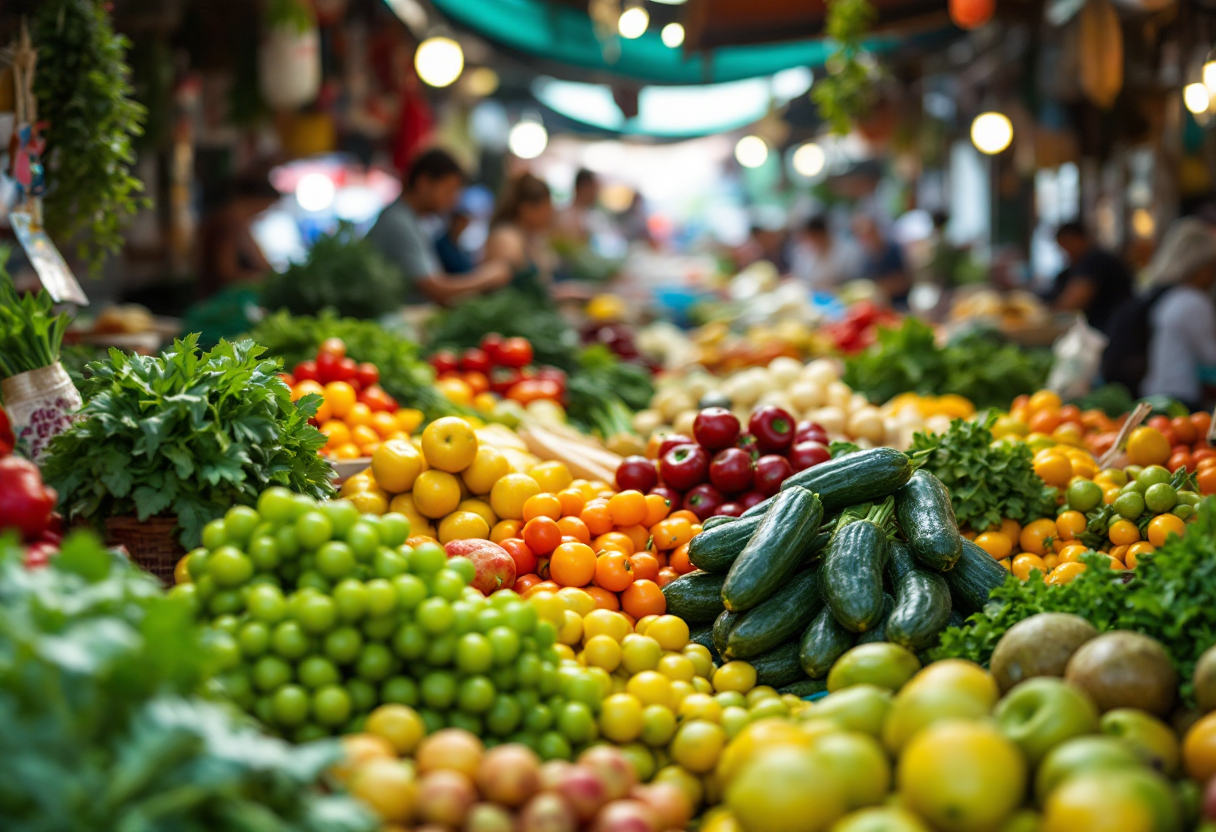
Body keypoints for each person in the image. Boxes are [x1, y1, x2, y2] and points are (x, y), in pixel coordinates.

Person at [365, 148, 509, 304]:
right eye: (449, 190)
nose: (453, 200)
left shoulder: (413, 221)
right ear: (424, 183)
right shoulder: (399, 222)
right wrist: (488, 277)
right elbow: (436, 290)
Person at [1138, 219, 1216, 408]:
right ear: (1200, 267)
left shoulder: (1170, 296)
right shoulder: (1193, 301)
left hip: (1154, 391)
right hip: (1181, 397)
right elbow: (1210, 355)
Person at [199, 171, 280, 296]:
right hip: (220, 299)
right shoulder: (229, 221)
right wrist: (260, 279)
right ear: (254, 200)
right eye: (266, 207)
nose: (264, 213)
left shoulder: (241, 224)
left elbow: (260, 261)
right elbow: (226, 272)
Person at [1047, 221, 1133, 335]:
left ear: (1077, 238)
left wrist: (1042, 313)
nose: (1065, 252)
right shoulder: (1084, 262)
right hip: (1109, 331)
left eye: (1065, 245)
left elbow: (1071, 304)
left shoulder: (1094, 261)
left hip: (1109, 334)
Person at [483, 173, 557, 301]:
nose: (550, 214)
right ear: (527, 208)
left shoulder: (525, 237)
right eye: (547, 207)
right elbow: (509, 283)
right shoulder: (507, 237)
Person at [853, 215, 911, 308]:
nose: (868, 238)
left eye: (870, 233)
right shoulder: (865, 260)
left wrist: (879, 288)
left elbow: (904, 281)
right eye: (864, 236)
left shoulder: (893, 250)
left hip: (902, 303)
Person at [792, 216, 857, 292]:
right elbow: (801, 277)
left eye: (816, 237)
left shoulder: (845, 252)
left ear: (824, 233)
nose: (814, 241)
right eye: (811, 238)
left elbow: (850, 280)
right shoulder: (805, 252)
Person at [555, 168, 600, 245]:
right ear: (579, 188)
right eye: (591, 188)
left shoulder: (588, 216)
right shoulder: (563, 216)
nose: (594, 194)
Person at [435, 210, 473, 275]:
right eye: (459, 222)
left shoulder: (460, 243)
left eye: (464, 223)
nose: (461, 226)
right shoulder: (442, 244)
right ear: (452, 222)